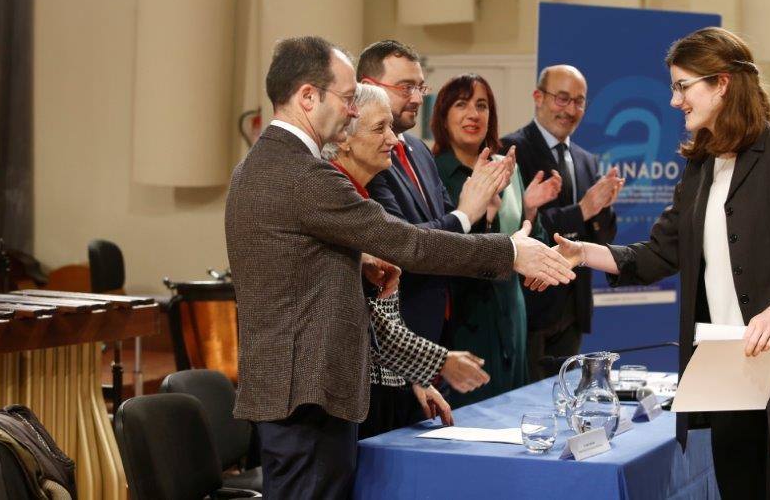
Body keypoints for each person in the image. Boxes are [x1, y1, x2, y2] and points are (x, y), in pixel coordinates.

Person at [225, 36, 575, 499]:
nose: (352, 111)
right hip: (307, 394)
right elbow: (408, 242)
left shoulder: (269, 164)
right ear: (307, 96)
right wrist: (509, 252)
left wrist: (355, 264)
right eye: (348, 99)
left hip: (302, 391)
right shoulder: (302, 174)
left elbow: (301, 272)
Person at [551, 27, 770, 499]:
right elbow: (659, 254)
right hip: (729, 381)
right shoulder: (700, 168)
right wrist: (583, 254)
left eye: (683, 86)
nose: (675, 100)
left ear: (722, 83)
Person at [323, 83, 493, 438]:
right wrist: (435, 363)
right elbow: (414, 248)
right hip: (335, 401)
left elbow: (376, 318)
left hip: (378, 387)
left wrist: (413, 378)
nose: (394, 140)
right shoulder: (336, 197)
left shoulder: (362, 193)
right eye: (379, 128)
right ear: (344, 138)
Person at [358, 40, 513, 344]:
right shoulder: (367, 157)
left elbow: (450, 237)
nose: (416, 98)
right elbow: (403, 242)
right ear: (368, 87)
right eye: (405, 87)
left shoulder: (417, 149)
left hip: (443, 327)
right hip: (395, 336)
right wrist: (466, 212)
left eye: (420, 87)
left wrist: (482, 210)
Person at [431, 74, 563, 406]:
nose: (473, 114)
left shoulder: (505, 169)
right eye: (461, 105)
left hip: (511, 312)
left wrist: (531, 211)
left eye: (482, 105)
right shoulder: (433, 173)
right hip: (466, 318)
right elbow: (442, 252)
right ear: (444, 115)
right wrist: (484, 218)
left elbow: (526, 244)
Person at [501, 64, 624, 381]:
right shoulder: (511, 151)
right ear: (538, 97)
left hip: (573, 308)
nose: (570, 109)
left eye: (579, 101)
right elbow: (518, 226)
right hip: (530, 307)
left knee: (567, 400)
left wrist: (602, 208)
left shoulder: (586, 159)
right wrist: (582, 210)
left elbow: (603, 235)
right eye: (562, 98)